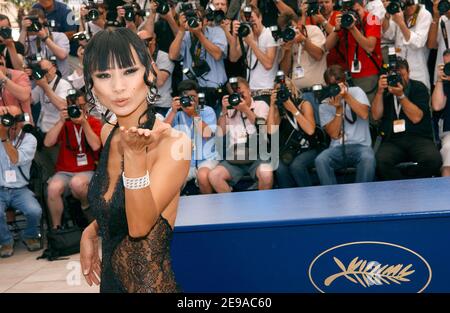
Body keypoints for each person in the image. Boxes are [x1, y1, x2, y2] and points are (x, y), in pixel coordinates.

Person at [80, 28, 190, 293]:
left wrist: (134, 155)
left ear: (150, 72)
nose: (118, 87)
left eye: (129, 71)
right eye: (104, 75)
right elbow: (117, 207)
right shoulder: (109, 133)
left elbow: (140, 226)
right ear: (91, 85)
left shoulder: (175, 144)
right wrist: (91, 231)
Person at [373, 57, 442, 180]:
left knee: (433, 160)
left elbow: (416, 117)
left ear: (409, 73)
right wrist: (378, 92)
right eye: (394, 75)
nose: (398, 79)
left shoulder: (418, 87)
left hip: (418, 138)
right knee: (380, 162)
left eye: (402, 75)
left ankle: (409, 181)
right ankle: (402, 185)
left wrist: (401, 96)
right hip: (393, 140)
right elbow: (375, 115)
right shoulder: (384, 90)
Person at [44, 92, 102, 229]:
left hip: (87, 169)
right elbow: (47, 143)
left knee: (77, 184)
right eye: (75, 107)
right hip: (64, 170)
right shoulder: (65, 123)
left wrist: (84, 123)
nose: (79, 110)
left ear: (87, 106)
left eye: (82, 106)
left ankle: (85, 208)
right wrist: (61, 122)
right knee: (52, 188)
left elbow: (96, 145)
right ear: (68, 107)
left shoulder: (93, 121)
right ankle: (57, 229)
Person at [208, 77, 273, 192]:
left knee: (266, 175)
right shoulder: (230, 109)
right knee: (214, 176)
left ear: (249, 90)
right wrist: (223, 111)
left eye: (241, 92)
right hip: (235, 157)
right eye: (235, 94)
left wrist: (246, 110)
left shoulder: (260, 104)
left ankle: (263, 207)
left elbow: (262, 127)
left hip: (258, 155)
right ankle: (232, 206)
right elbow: (220, 133)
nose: (239, 97)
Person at [315, 64, 376, 185]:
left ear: (345, 81)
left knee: (368, 158)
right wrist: (338, 110)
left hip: (361, 146)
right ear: (327, 85)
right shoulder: (325, 102)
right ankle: (332, 196)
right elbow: (333, 134)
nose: (336, 88)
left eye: (339, 84)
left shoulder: (357, 92)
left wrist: (346, 96)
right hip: (337, 147)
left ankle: (362, 195)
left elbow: (364, 114)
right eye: (332, 85)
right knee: (321, 160)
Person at [0, 105, 42, 258]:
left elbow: (16, 159)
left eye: (16, 118)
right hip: (0, 189)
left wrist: (4, 138)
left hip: (20, 189)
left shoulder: (29, 139)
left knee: (34, 211)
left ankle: (30, 235)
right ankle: (5, 241)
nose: (11, 122)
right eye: (7, 118)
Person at [164, 80, 218, 194]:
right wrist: (173, 111)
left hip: (206, 158)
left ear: (198, 96)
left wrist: (194, 114)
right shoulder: (175, 111)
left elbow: (207, 135)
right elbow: (163, 133)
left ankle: (210, 208)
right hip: (183, 160)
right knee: (171, 181)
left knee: (203, 176)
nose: (189, 100)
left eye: (193, 96)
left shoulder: (207, 110)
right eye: (186, 97)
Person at [266, 75, 319, 188]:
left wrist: (293, 109)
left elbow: (310, 130)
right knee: (279, 166)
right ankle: (288, 198)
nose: (283, 94)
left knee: (297, 165)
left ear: (293, 90)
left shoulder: (304, 104)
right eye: (278, 91)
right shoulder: (278, 108)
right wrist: (272, 105)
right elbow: (270, 131)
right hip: (288, 150)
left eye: (285, 90)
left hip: (308, 147)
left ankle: (308, 196)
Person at [325, 0, 382, 103]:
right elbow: (327, 46)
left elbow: (369, 46)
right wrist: (336, 29)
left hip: (368, 75)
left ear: (363, 5)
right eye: (350, 11)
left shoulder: (371, 18)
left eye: (357, 11)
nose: (354, 15)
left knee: (368, 111)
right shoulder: (345, 21)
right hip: (350, 75)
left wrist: (352, 28)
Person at [228, 5, 278, 104]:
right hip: (251, 93)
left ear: (260, 17)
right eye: (247, 20)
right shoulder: (247, 36)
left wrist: (251, 42)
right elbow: (233, 58)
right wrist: (234, 35)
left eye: (252, 19)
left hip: (267, 92)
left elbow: (268, 64)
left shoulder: (269, 34)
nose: (251, 22)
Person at [382, 0, 432, 89]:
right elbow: (388, 34)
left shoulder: (424, 14)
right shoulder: (399, 12)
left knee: (418, 100)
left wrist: (401, 23)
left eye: (410, 4)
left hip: (417, 71)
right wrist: (387, 15)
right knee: (400, 100)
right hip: (399, 70)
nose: (408, 8)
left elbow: (418, 42)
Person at [19, 8, 71, 78]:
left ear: (45, 22)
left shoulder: (59, 36)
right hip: (39, 83)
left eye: (37, 23)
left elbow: (63, 55)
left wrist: (45, 38)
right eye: (32, 24)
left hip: (60, 81)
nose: (35, 26)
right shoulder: (30, 40)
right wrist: (24, 30)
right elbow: (18, 54)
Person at [138, 30, 174, 116]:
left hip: (162, 106)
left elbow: (160, 82)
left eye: (148, 40)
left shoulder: (164, 57)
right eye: (140, 41)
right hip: (144, 105)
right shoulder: (136, 58)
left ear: (154, 40)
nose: (146, 43)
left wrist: (148, 56)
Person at [432, 49, 450, 176]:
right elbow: (437, 106)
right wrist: (439, 80)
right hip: (449, 131)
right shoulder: (443, 82)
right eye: (446, 65)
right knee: (449, 149)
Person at [0, 54, 33, 119]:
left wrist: (2, 77)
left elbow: (24, 96)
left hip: (21, 123)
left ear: (3, 60)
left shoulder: (19, 75)